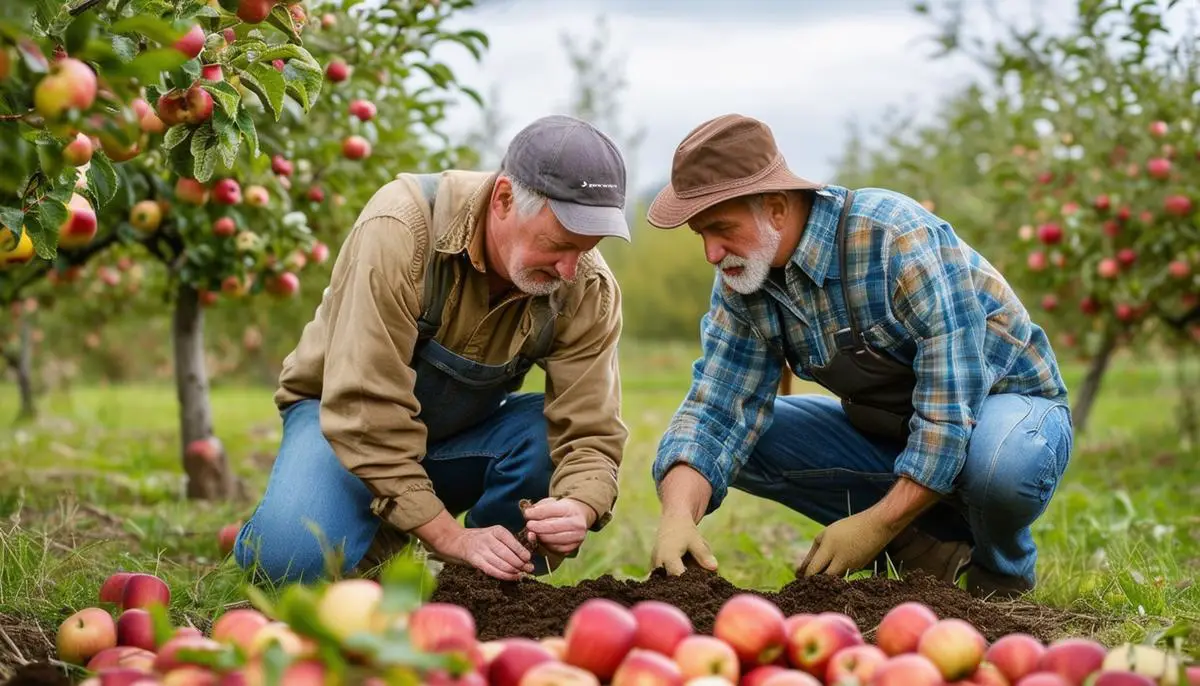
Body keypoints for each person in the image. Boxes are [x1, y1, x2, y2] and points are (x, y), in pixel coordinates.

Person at [644, 114, 1072, 599]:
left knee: (1003, 465)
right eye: (701, 235)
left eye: (721, 229)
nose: (711, 253)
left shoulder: (894, 239)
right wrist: (677, 517)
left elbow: (950, 412)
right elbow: (715, 410)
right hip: (892, 429)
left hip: (1006, 414)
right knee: (740, 442)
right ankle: (929, 549)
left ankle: (999, 573)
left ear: (778, 209)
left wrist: (874, 524)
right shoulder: (743, 282)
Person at [234, 114, 631, 584]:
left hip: (454, 438)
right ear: (504, 199)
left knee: (541, 437)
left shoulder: (587, 286)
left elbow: (590, 430)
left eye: (586, 248)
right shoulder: (402, 229)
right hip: (340, 425)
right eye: (559, 244)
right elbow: (364, 407)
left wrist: (579, 506)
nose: (570, 269)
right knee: (288, 563)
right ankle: (371, 535)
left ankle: (473, 588)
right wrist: (448, 535)